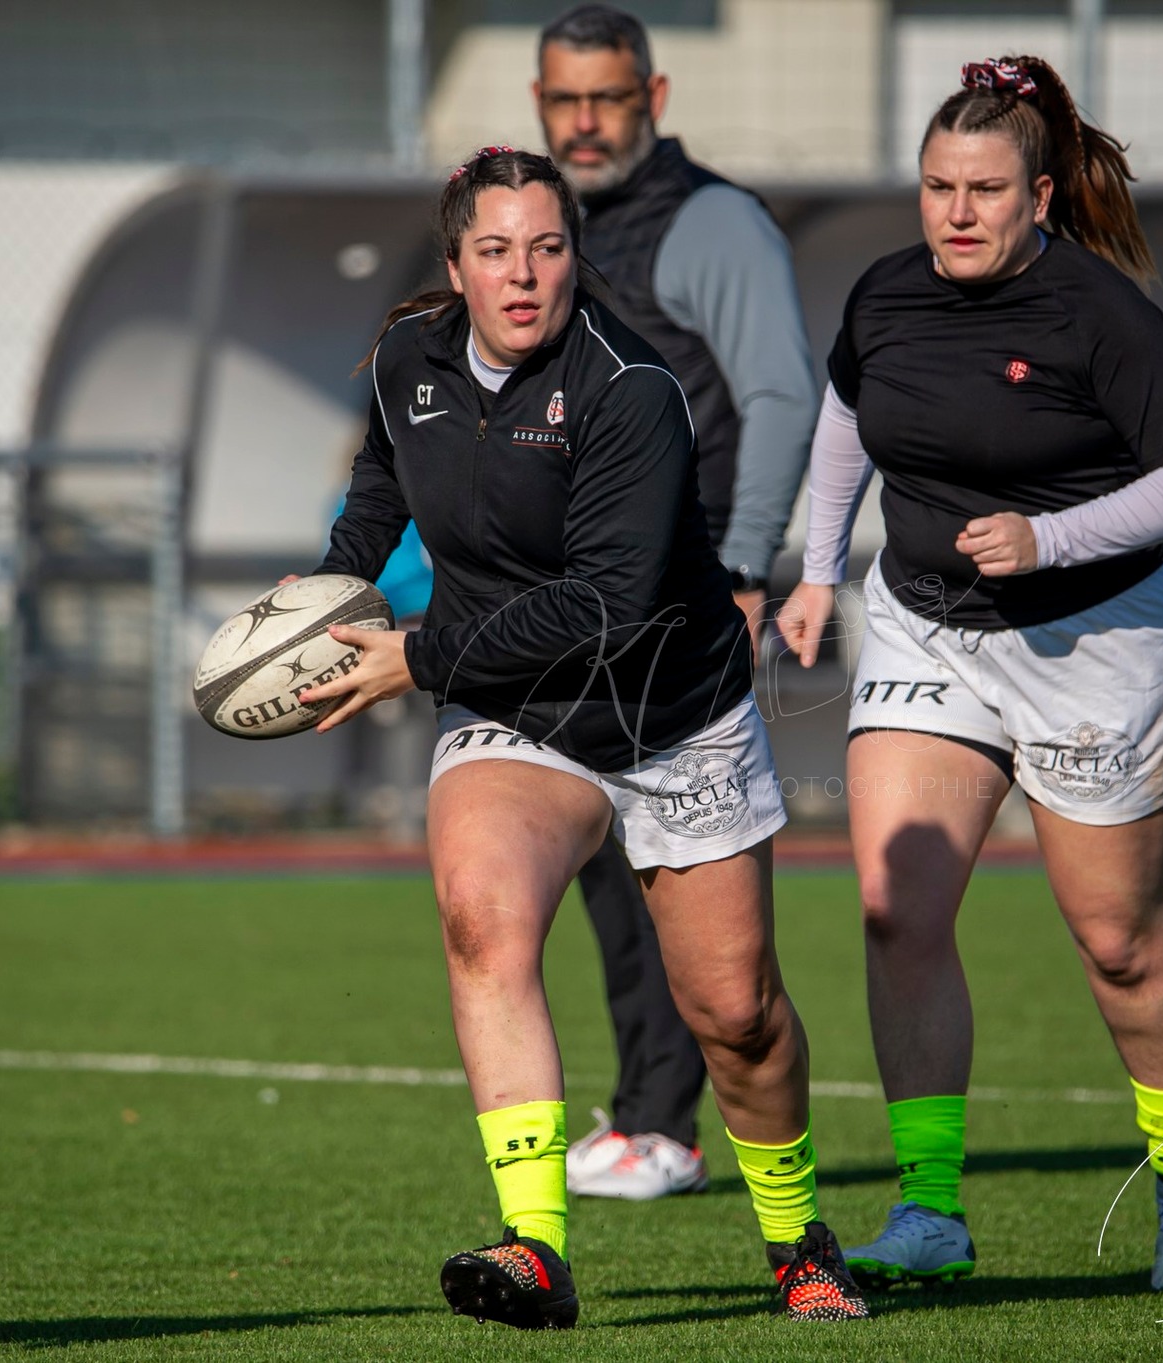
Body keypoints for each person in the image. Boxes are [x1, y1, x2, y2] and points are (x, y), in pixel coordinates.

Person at [298, 148, 867, 1326]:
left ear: (576, 258)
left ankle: (799, 1241)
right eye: (495, 251)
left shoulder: (630, 390)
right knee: (480, 917)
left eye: (547, 249)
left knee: (735, 1013)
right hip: (518, 712)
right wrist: (319, 602)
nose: (523, 276)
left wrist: (418, 656)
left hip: (669, 709)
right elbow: (376, 489)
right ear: (453, 264)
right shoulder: (407, 361)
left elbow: (602, 607)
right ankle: (536, 1251)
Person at [776, 56, 1163, 1294]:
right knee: (893, 906)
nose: (955, 213)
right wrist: (817, 570)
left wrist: (1051, 537)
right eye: (935, 187)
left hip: (1098, 641)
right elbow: (840, 420)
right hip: (928, 627)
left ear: (1038, 194)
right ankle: (929, 1206)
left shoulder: (1100, 312)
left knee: (1117, 941)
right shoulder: (885, 295)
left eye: (983, 189)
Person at [525, 3, 819, 1200]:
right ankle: (651, 1108)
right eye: (562, 102)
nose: (583, 123)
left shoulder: (711, 223)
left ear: (652, 100)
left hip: (681, 595)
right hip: (574, 598)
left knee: (673, 867)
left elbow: (779, 398)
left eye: (605, 99)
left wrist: (745, 566)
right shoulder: (542, 228)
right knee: (599, 860)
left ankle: (667, 1123)